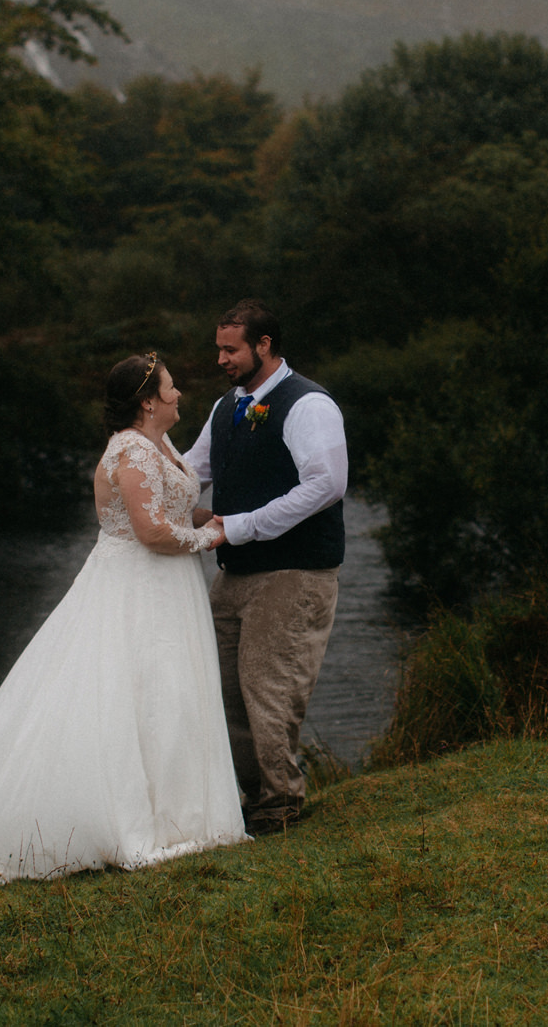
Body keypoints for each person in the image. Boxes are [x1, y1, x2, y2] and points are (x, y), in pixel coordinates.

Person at [0, 354, 247, 882]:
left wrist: (207, 518)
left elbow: (168, 509)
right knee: (132, 691)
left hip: (168, 585)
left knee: (171, 694)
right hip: (137, 586)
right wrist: (211, 537)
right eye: (171, 388)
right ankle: (118, 818)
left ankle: (180, 813)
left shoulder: (160, 445)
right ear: (148, 401)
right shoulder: (130, 449)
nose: (179, 395)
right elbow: (149, 532)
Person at [184, 299, 349, 835]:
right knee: (224, 689)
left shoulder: (309, 405)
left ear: (265, 346)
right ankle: (252, 801)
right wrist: (134, 467)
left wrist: (240, 525)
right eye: (219, 350)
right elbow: (193, 472)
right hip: (234, 575)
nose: (222, 360)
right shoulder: (225, 408)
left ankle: (280, 805)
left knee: (268, 688)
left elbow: (326, 486)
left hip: (295, 573)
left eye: (231, 350)